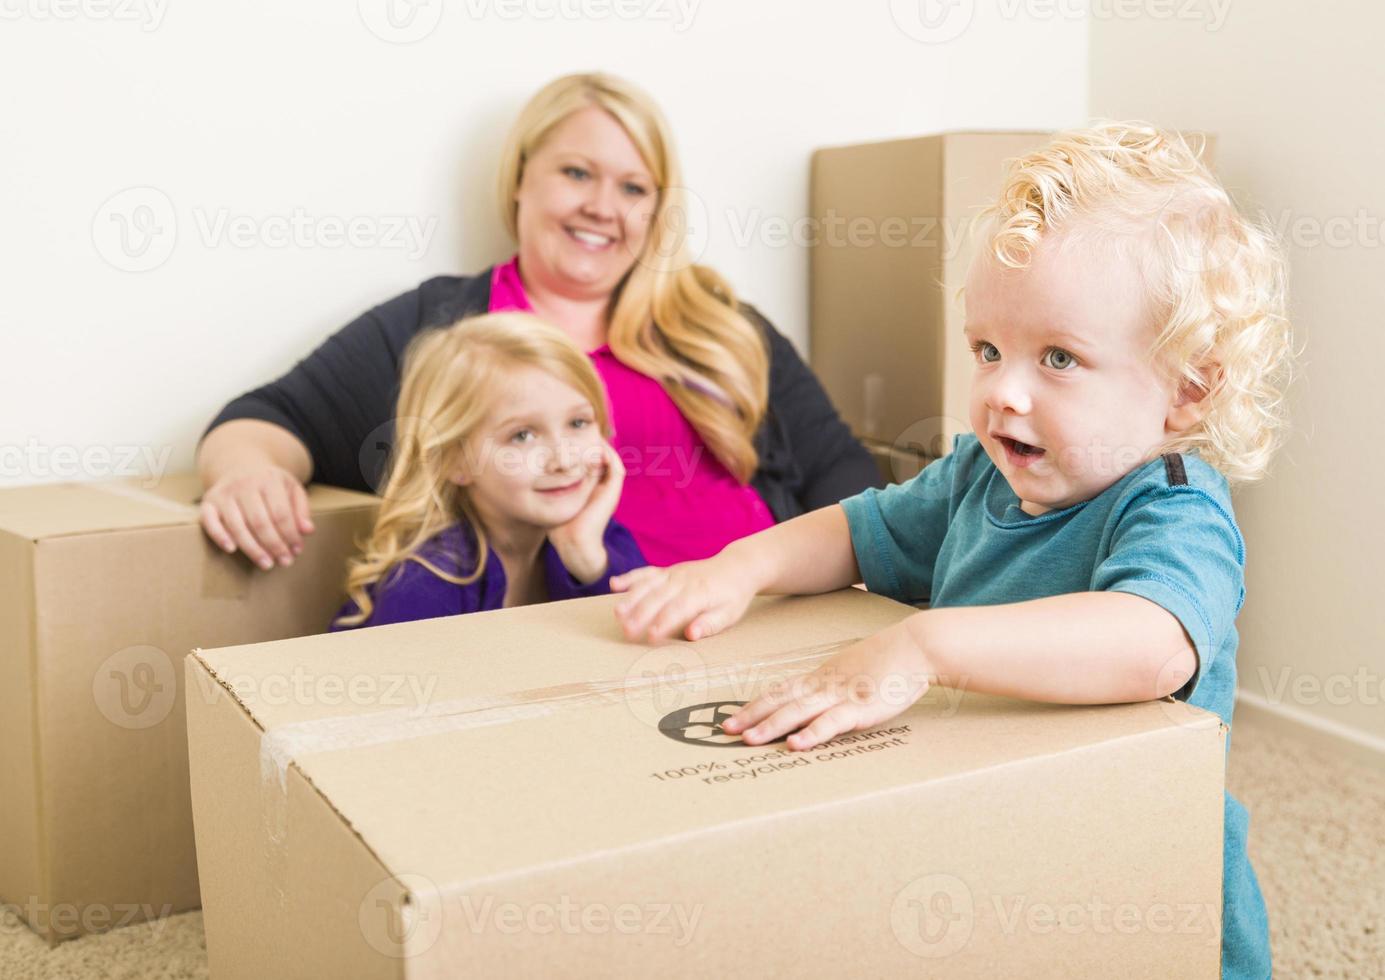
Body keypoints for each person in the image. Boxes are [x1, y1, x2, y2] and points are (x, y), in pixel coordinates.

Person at [609, 123, 1291, 980]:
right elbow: (858, 528)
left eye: (1058, 358)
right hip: (990, 834)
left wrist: (925, 646)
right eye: (987, 350)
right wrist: (738, 567)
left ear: (1186, 391)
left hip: (1144, 882)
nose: (1003, 392)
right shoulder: (978, 474)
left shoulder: (1174, 509)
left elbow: (1148, 643)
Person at [197, 72, 878, 572]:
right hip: (571, 646)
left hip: (763, 622)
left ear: (654, 210)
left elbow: (838, 472)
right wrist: (248, 472)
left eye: (633, 187)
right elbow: (266, 417)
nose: (602, 207)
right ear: (520, 179)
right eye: (577, 173)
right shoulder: (442, 330)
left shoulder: (722, 326)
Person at [331, 312, 646, 629]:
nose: (564, 460)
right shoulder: (426, 583)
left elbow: (643, 643)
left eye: (578, 423)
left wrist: (586, 558)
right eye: (522, 435)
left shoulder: (601, 538)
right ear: (455, 460)